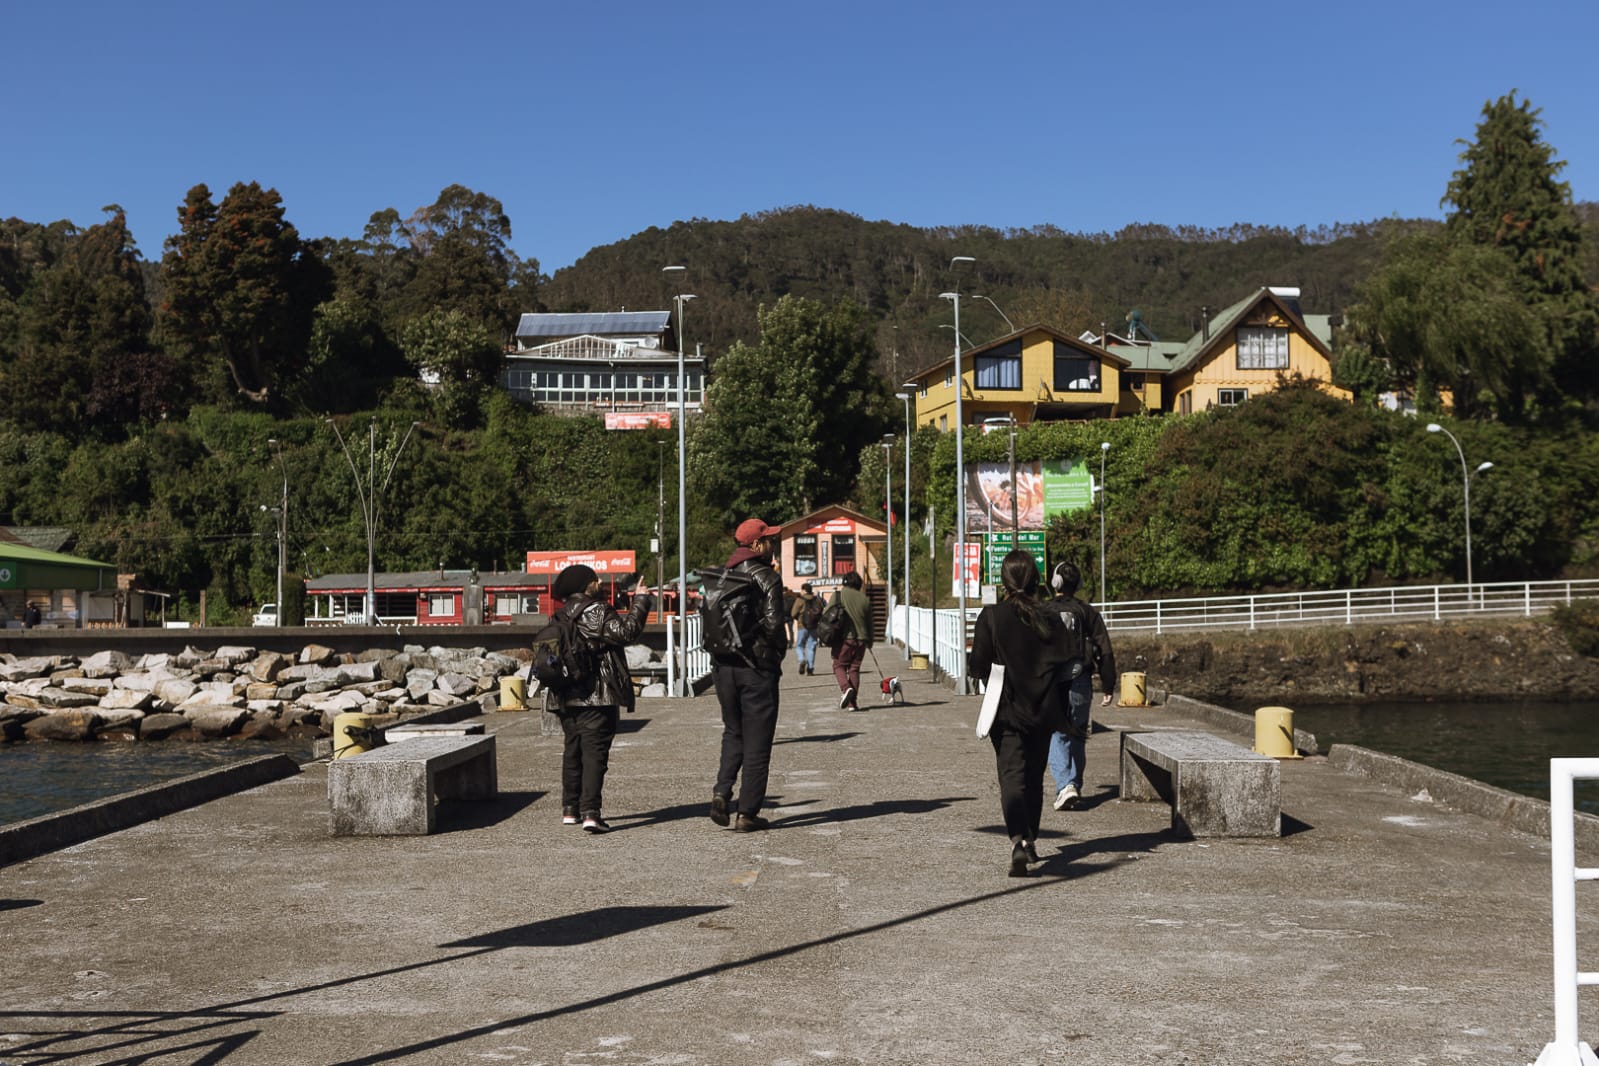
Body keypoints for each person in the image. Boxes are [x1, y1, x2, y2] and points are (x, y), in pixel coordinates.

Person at [968, 550, 1075, 877]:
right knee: (1034, 776)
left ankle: (1018, 838)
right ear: (1036, 579)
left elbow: (978, 667)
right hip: (1044, 709)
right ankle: (1030, 839)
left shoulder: (992, 616)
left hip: (1007, 710)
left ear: (1004, 580)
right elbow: (1067, 665)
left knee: (1011, 776)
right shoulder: (1051, 617)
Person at [547, 563, 653, 834]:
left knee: (573, 750)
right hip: (596, 694)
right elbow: (626, 632)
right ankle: (591, 813)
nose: (600, 582)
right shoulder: (595, 610)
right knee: (595, 753)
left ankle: (570, 809)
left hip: (564, 693)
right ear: (586, 586)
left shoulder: (560, 615)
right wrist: (641, 600)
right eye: (595, 579)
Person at [709, 518, 787, 832]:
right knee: (758, 743)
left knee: (733, 732)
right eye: (768, 540)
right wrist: (776, 655)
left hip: (723, 667)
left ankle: (721, 791)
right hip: (756, 669)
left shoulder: (720, 575)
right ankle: (747, 814)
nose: (772, 545)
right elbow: (773, 625)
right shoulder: (766, 576)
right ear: (756, 545)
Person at [1046, 561, 1118, 812]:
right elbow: (1104, 650)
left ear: (1054, 582)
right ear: (1078, 584)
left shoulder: (1044, 611)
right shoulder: (1087, 612)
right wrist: (1109, 685)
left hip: (1051, 681)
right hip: (1081, 680)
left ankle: (1065, 785)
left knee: (1056, 732)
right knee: (1078, 732)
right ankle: (1074, 784)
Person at [826, 571, 874, 711]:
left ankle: (846, 689)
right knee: (854, 669)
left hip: (843, 639)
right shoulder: (865, 599)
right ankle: (853, 704)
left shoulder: (838, 595)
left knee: (838, 665)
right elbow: (870, 623)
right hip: (861, 640)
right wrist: (870, 641)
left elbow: (827, 614)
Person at [790, 582, 821, 675]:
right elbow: (821, 611)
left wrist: (798, 619)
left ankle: (802, 659)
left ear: (803, 590)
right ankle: (810, 669)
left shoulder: (800, 600)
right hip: (814, 626)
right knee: (812, 647)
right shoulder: (817, 599)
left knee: (800, 645)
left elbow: (793, 613)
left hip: (802, 626)